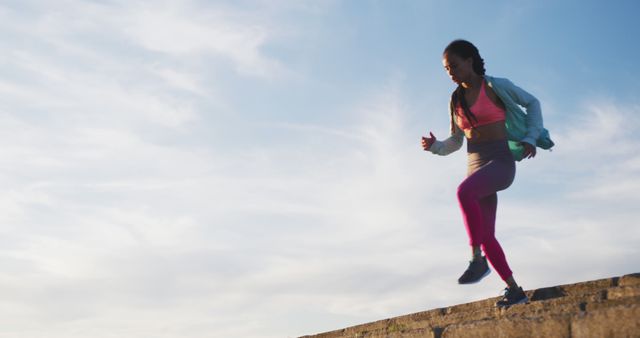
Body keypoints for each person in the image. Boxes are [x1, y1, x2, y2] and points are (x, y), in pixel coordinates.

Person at [421, 40, 554, 307]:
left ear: (470, 60)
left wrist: (530, 137)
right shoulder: (455, 98)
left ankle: (476, 258)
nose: (451, 73)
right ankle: (514, 290)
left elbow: (533, 102)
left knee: (463, 191)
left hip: (501, 162)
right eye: (447, 70)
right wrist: (435, 146)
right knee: (487, 234)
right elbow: (457, 142)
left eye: (454, 66)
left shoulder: (495, 86)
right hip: (475, 165)